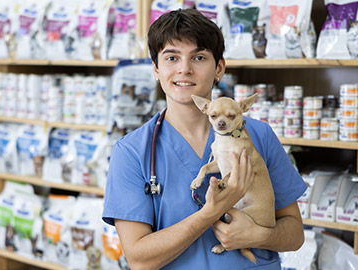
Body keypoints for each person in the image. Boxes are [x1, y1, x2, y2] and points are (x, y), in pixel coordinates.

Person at [102, 8, 307, 270]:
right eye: (172, 58)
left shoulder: (260, 136)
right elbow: (139, 260)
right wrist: (209, 213)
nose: (184, 69)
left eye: (198, 57)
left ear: (219, 67)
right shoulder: (131, 152)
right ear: (156, 69)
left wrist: (260, 235)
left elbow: (295, 234)